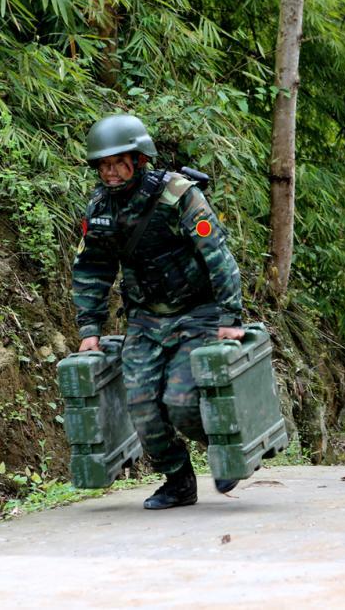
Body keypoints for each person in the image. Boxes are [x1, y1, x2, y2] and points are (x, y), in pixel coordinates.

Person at [72, 113, 245, 510]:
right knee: (143, 408)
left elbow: (216, 254)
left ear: (139, 159)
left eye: (117, 163)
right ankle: (179, 481)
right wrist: (89, 328)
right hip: (146, 318)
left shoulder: (178, 195)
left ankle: (226, 448)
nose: (110, 172)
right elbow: (92, 268)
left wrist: (229, 318)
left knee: (182, 403)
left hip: (196, 312)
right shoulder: (100, 207)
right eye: (103, 165)